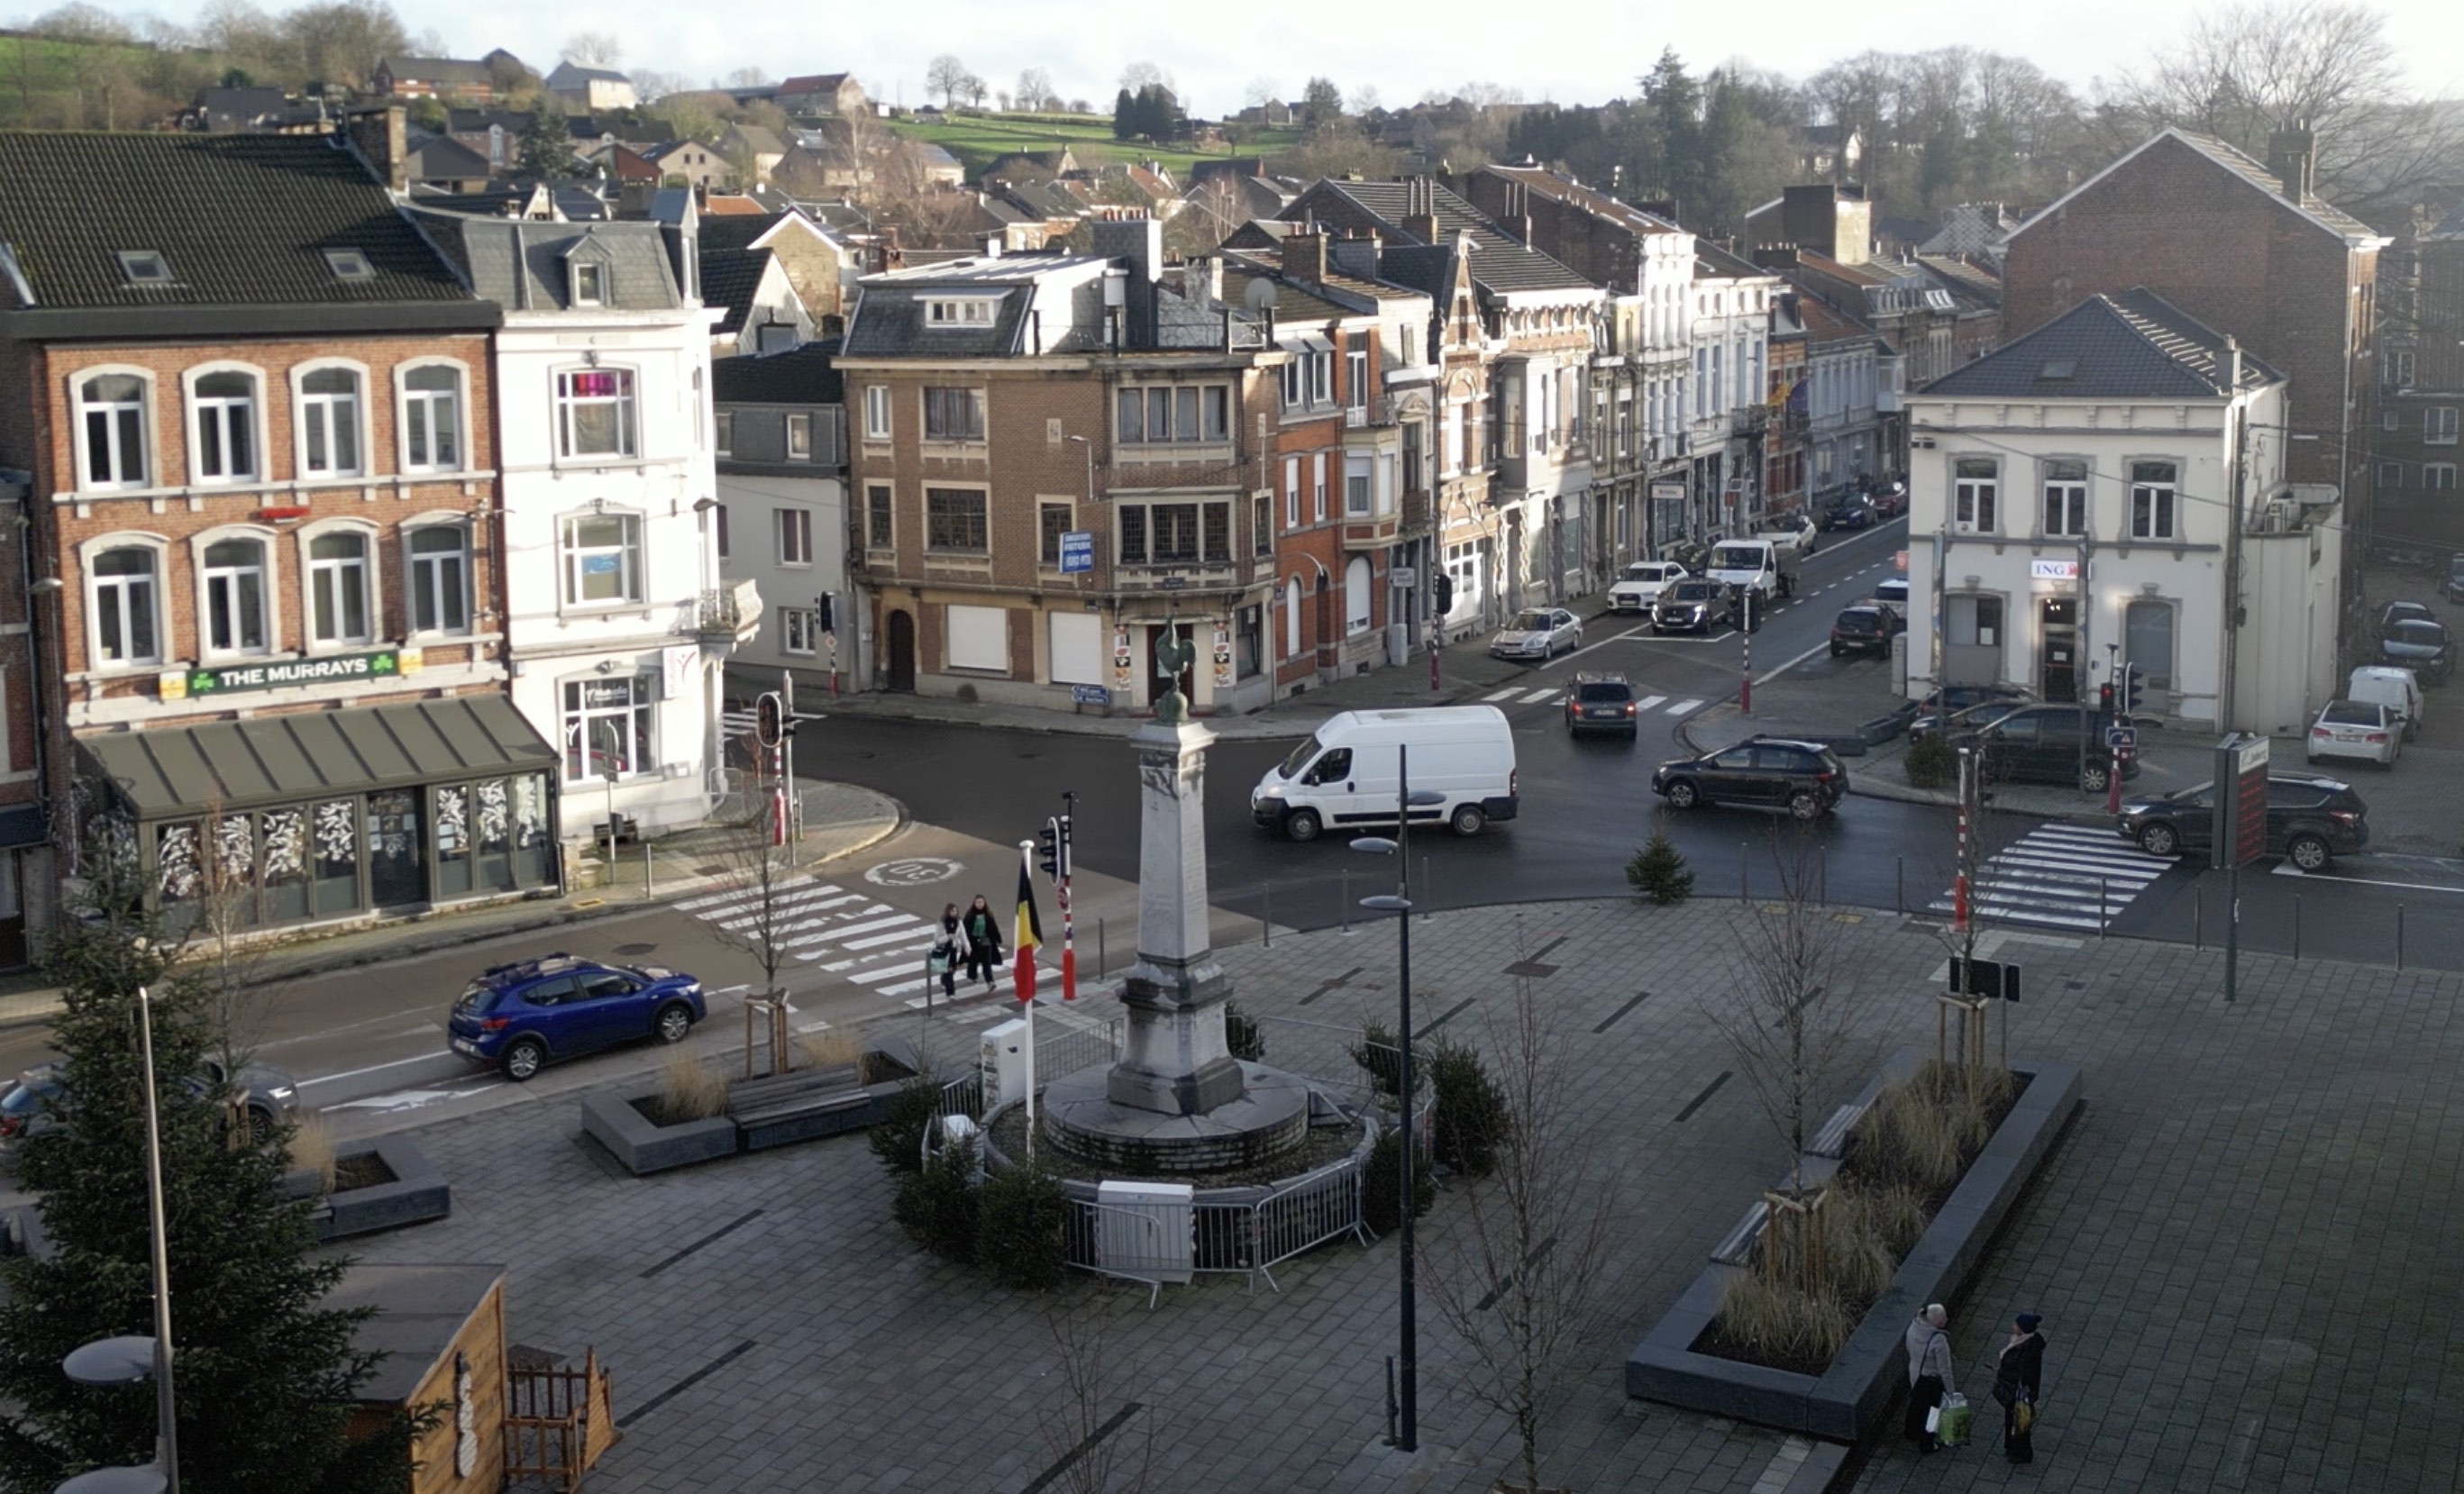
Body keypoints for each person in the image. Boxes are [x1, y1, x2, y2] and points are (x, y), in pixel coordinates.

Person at [1994, 1311, 2047, 1464]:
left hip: (2018, 1393)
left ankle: (2021, 1453)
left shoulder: (2027, 1349)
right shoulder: (2022, 1343)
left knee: (2020, 1422)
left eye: (2016, 1325)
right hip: (2014, 1390)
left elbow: (2023, 1372)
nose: (2013, 1327)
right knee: (2014, 1420)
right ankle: (2012, 1447)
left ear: (2022, 1329)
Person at [1903, 1303, 1953, 1454]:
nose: (1946, 1319)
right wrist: (1950, 1391)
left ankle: (1911, 1432)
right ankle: (1927, 1444)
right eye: (1943, 1317)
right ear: (1936, 1321)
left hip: (1915, 1373)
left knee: (1916, 1405)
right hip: (1931, 1380)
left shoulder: (1913, 1327)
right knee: (1933, 1413)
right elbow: (1945, 1369)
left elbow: (1908, 1348)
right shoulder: (1938, 1340)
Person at [961, 894, 1003, 990]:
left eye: (981, 902)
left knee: (986, 963)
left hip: (986, 941)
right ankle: (972, 976)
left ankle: (990, 982)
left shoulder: (988, 914)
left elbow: (993, 927)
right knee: (973, 960)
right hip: (973, 941)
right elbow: (964, 928)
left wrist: (998, 938)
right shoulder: (970, 914)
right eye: (977, 902)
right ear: (974, 903)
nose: (979, 904)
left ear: (984, 903)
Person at [929, 903, 965, 998]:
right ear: (948, 911)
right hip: (945, 950)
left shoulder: (958, 922)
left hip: (954, 949)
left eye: (956, 911)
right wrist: (948, 937)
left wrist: (967, 946)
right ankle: (950, 992)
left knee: (952, 969)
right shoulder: (942, 923)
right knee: (949, 971)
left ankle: (943, 980)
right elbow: (937, 939)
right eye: (952, 911)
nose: (954, 913)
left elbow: (963, 935)